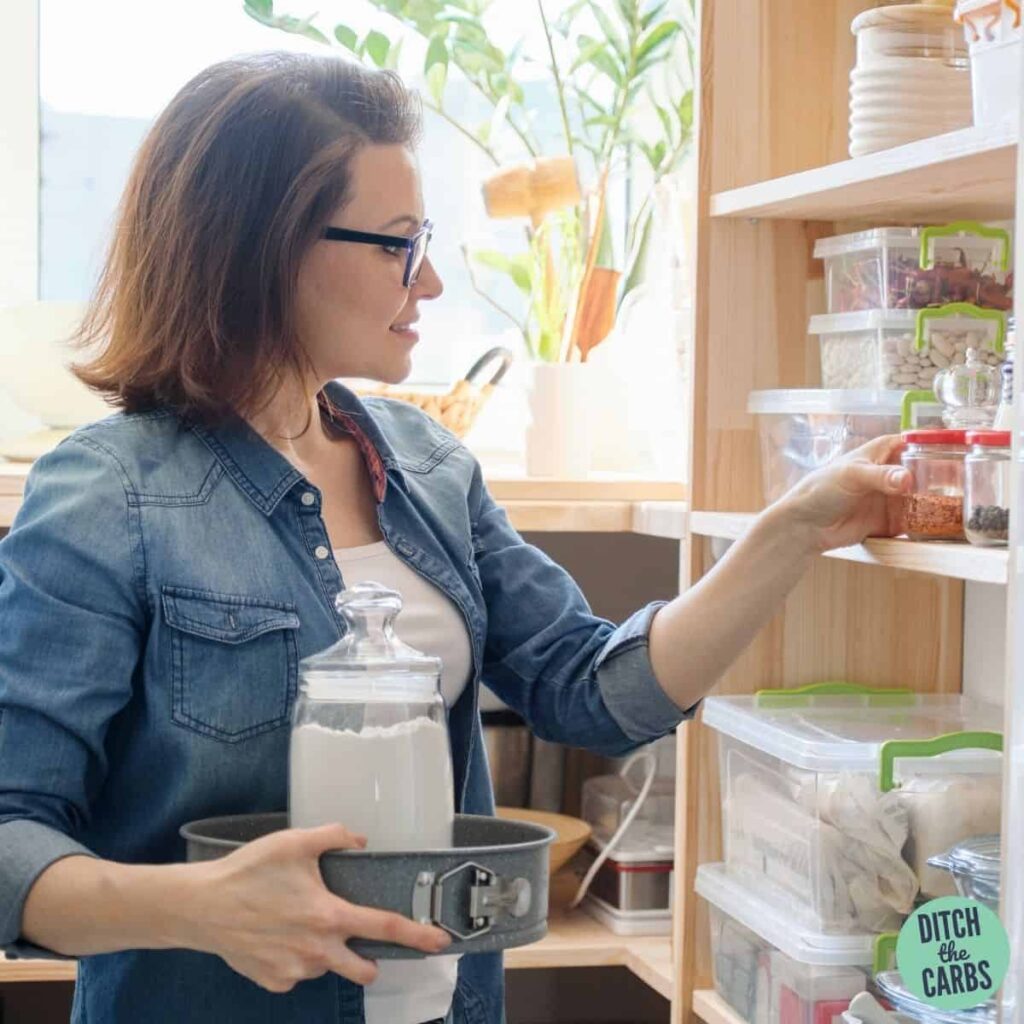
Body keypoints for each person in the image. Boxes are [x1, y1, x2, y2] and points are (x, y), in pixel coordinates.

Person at [0, 53, 912, 1024]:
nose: (430, 280)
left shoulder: (428, 463)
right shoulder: (111, 493)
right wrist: (202, 909)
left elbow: (591, 691)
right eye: (399, 244)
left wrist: (794, 527)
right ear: (263, 248)